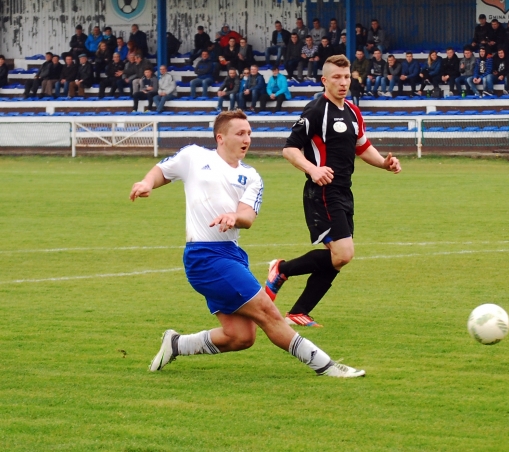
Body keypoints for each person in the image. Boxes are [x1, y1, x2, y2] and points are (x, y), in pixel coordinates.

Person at [131, 109, 365, 379]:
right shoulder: (194, 156)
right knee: (269, 312)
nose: (247, 139)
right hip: (204, 256)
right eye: (240, 133)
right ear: (221, 137)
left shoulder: (251, 177)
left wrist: (234, 217)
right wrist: (146, 182)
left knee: (241, 336)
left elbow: (247, 217)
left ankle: (177, 344)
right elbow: (163, 170)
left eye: (250, 134)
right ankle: (327, 366)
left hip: (231, 255)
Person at [262, 54, 401, 327]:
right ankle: (281, 269)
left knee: (338, 259)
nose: (343, 82)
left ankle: (298, 312)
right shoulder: (316, 110)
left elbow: (362, 147)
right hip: (322, 191)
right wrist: (313, 169)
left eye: (347, 77)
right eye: (336, 77)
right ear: (324, 80)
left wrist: (384, 163)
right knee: (344, 253)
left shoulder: (352, 111)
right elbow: (289, 149)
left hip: (344, 191)